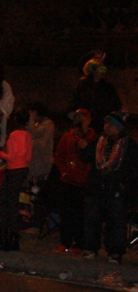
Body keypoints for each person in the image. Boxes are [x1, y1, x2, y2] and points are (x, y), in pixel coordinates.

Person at [79, 111, 138, 264]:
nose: (107, 127)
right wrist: (84, 148)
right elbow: (87, 158)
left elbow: (134, 168)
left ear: (118, 127)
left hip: (116, 189)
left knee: (116, 222)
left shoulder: (129, 145)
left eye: (111, 124)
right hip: (96, 187)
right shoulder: (99, 141)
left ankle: (115, 252)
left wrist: (123, 184)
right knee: (92, 220)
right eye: (106, 123)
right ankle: (90, 248)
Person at [53, 109, 96, 255]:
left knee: (81, 214)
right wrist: (64, 171)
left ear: (88, 120)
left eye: (82, 117)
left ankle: (79, 243)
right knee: (66, 213)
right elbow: (59, 156)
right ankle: (65, 241)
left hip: (84, 182)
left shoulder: (94, 139)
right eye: (76, 117)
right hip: (68, 181)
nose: (78, 120)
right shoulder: (67, 137)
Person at [0, 108, 33, 250]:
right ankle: (13, 236)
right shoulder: (27, 135)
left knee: (5, 202)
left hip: (13, 170)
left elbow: (11, 157)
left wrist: (0, 153)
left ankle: (5, 236)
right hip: (23, 169)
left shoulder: (14, 135)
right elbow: (28, 157)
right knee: (13, 202)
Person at [70, 53, 121, 133]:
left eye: (100, 69)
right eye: (95, 69)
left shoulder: (108, 88)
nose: (97, 72)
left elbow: (116, 105)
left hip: (101, 125)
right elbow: (73, 105)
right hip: (84, 124)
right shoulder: (81, 87)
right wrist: (77, 117)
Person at [26, 101, 54, 185]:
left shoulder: (48, 125)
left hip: (42, 162)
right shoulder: (37, 124)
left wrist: (28, 143)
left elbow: (41, 142)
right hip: (33, 163)